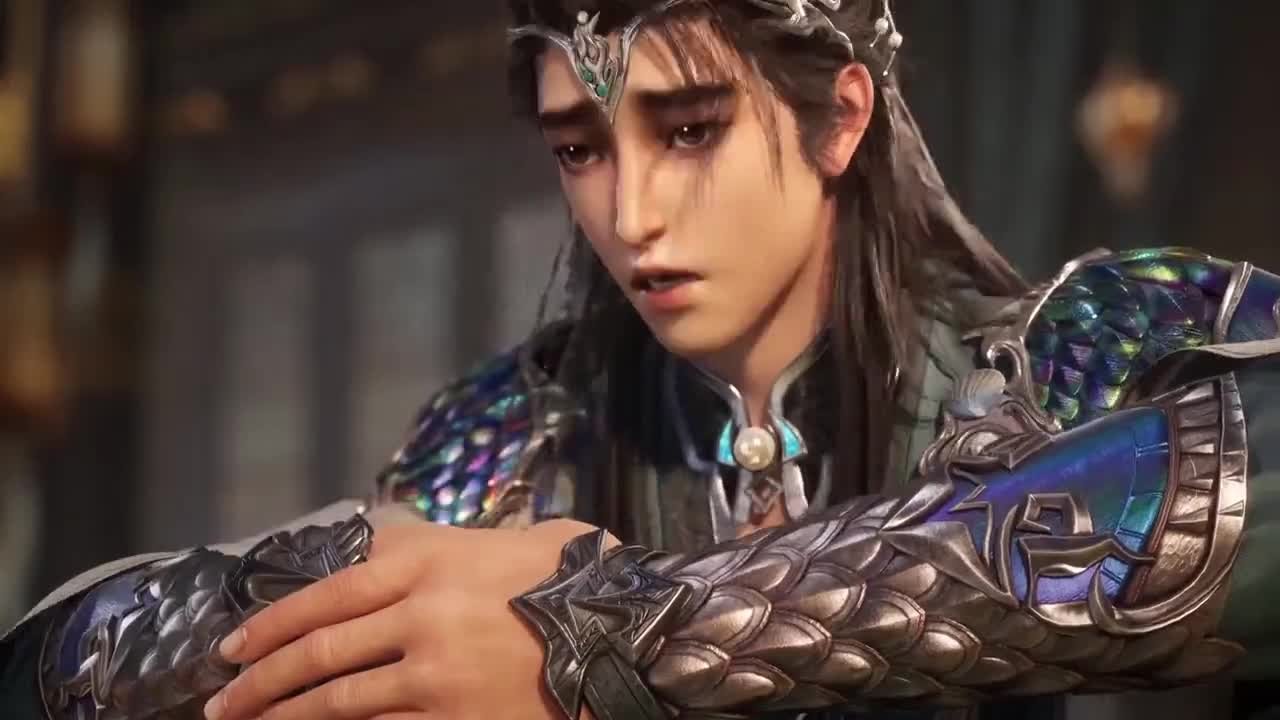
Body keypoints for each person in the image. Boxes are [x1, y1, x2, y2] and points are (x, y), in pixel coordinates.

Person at [4, 1, 1280, 719]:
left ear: (839, 120)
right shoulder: (511, 436)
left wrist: (599, 637)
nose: (629, 215)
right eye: (578, 149)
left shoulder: (1090, 347)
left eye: (689, 130)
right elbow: (52, 671)